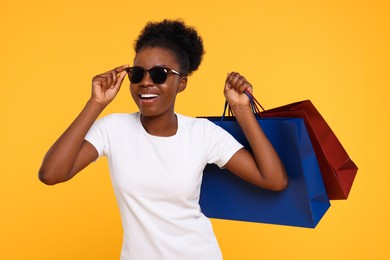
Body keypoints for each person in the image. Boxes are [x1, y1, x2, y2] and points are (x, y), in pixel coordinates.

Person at [39, 19, 288, 260]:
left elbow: (274, 180)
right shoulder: (113, 128)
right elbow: (51, 174)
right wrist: (96, 103)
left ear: (182, 83)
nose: (146, 82)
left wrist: (242, 110)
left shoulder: (202, 133)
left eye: (159, 74)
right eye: (137, 73)